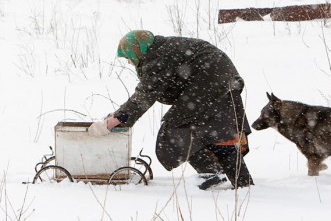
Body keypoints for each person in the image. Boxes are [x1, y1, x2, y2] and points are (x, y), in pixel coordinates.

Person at [88, 30, 253, 190]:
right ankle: (243, 182)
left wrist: (116, 120)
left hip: (209, 84)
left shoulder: (157, 58)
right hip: (225, 81)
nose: (129, 62)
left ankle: (211, 173)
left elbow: (145, 95)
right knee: (215, 132)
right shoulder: (164, 48)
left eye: (129, 57)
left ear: (137, 50)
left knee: (175, 129)